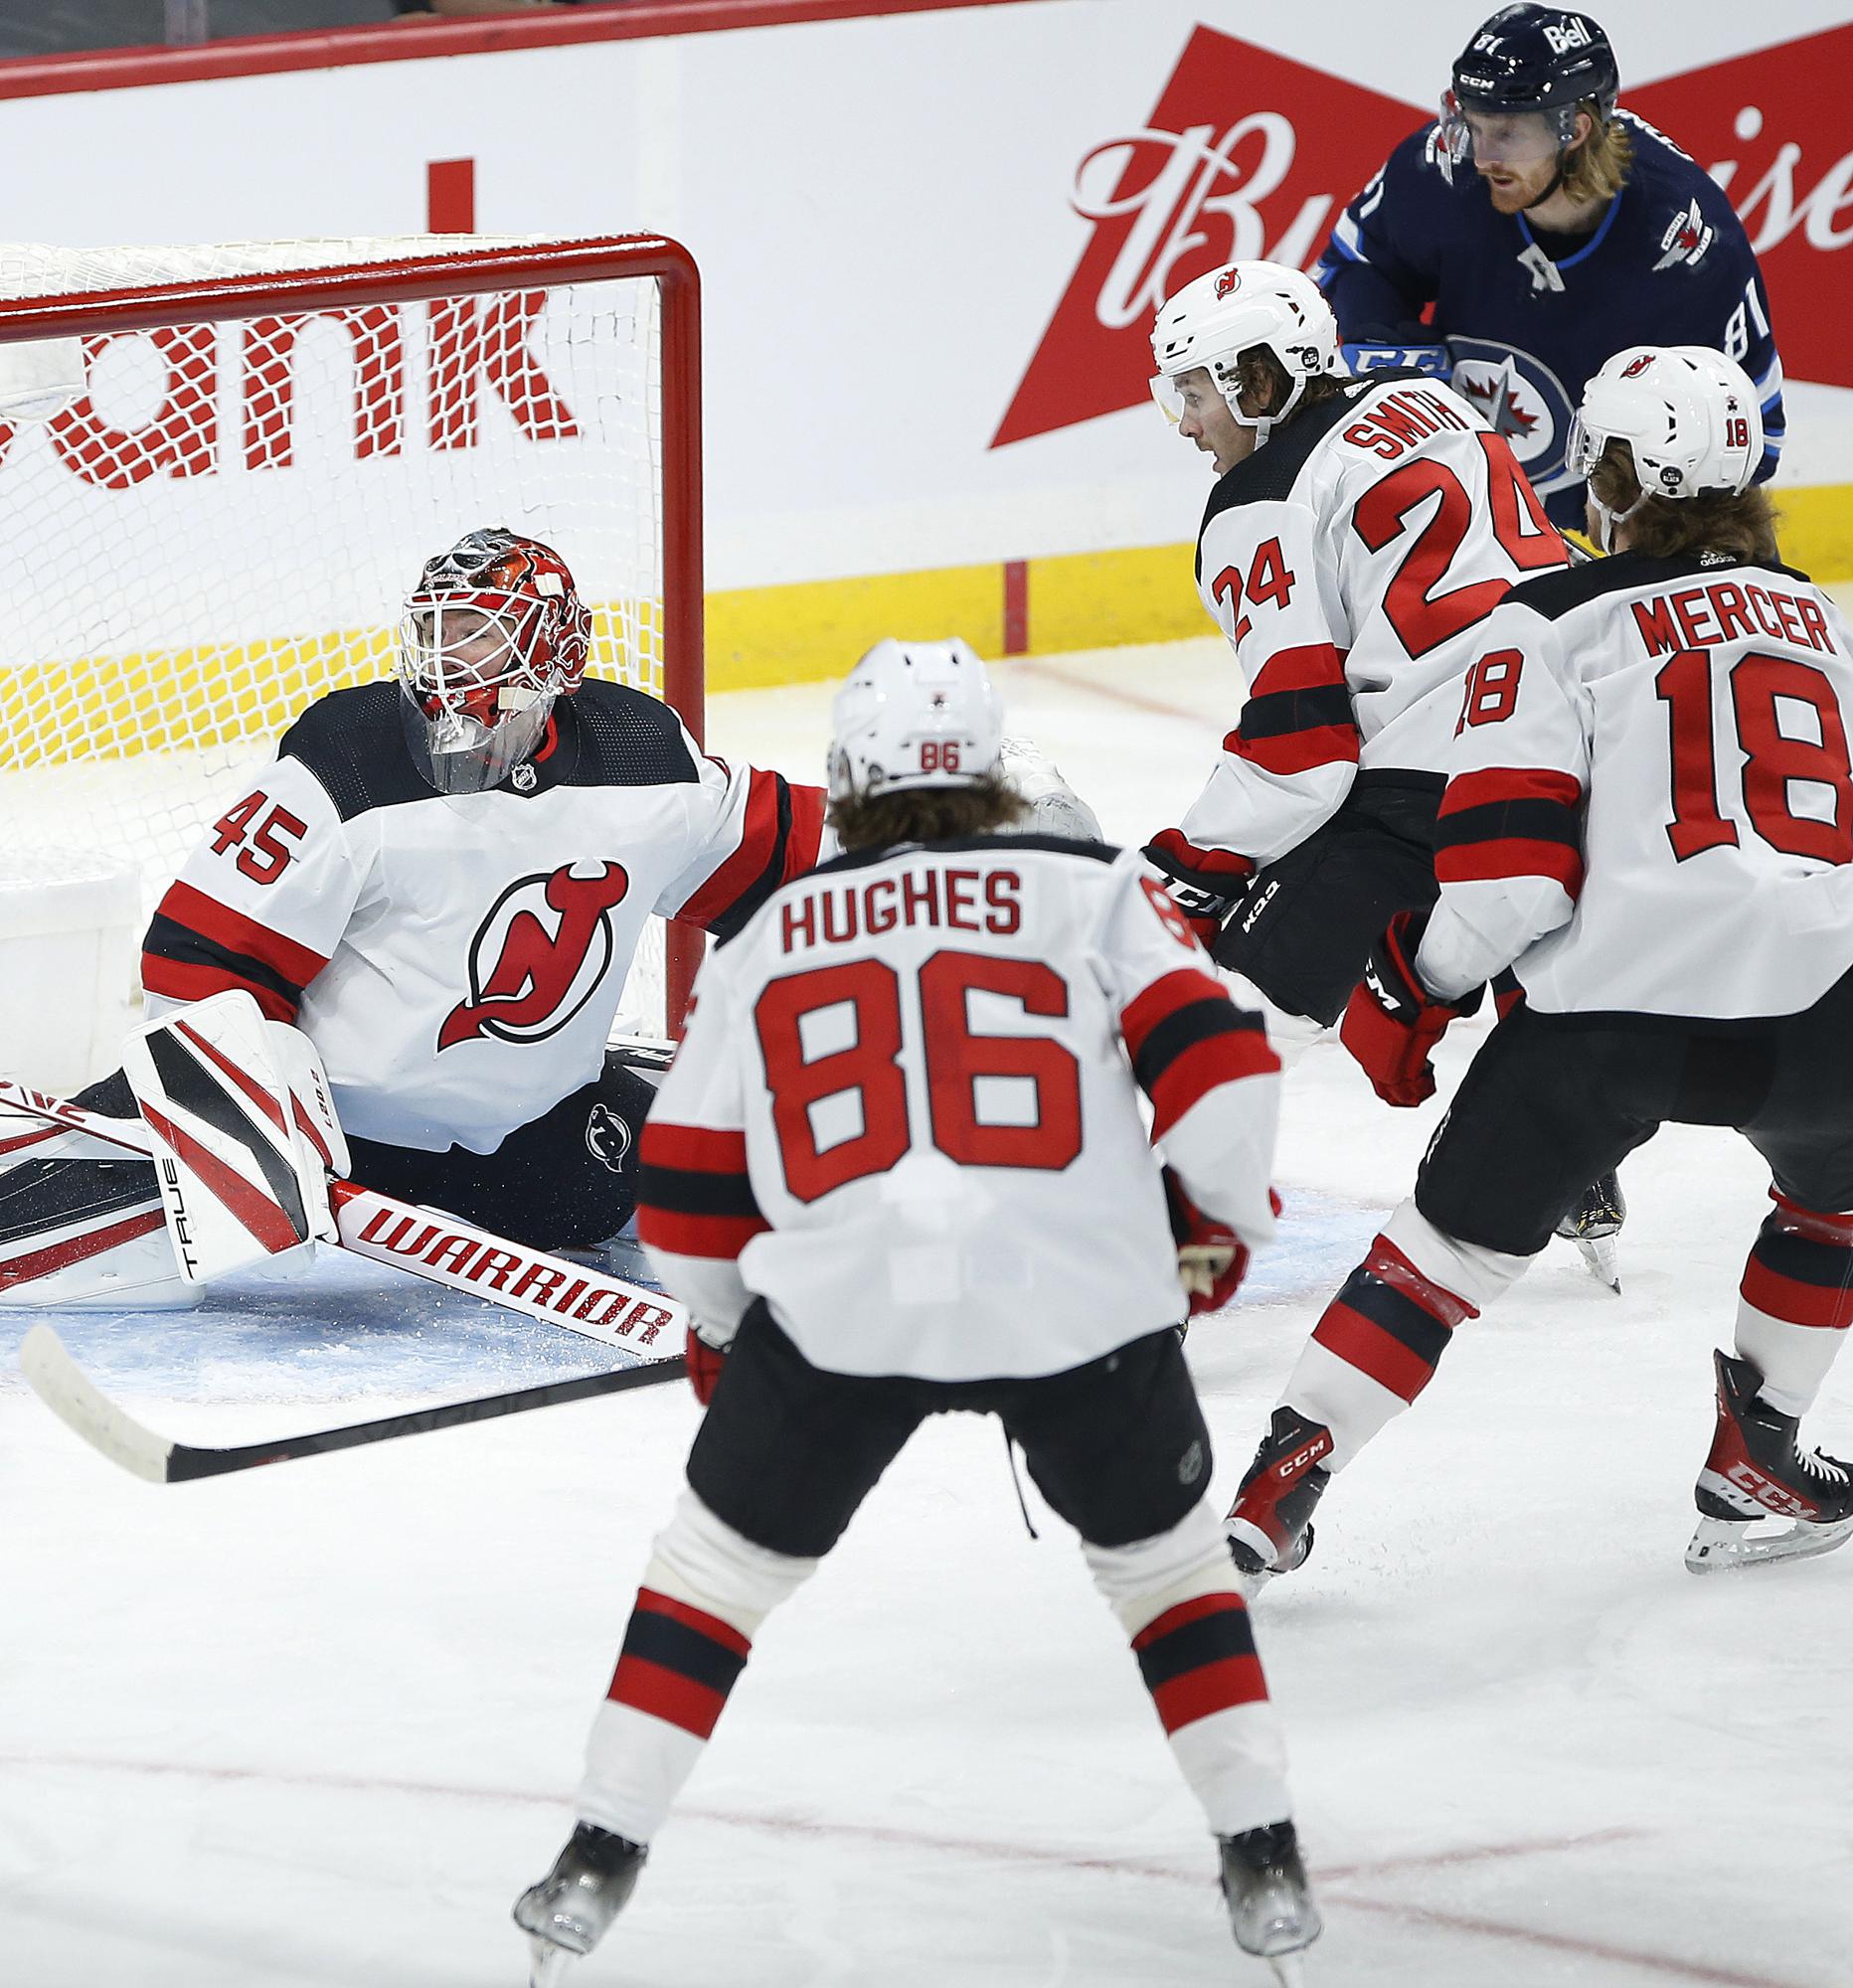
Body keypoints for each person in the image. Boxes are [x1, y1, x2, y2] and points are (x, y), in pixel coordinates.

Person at [512, 643, 1315, 1983]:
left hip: (843, 1318)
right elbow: (1228, 1068)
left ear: (846, 779)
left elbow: (690, 1184)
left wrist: (719, 1326)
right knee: (1169, 1578)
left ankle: (596, 1859)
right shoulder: (1096, 887)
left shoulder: (768, 933)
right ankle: (1265, 1857)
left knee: (710, 1581)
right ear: (997, 773)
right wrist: (1207, 1231)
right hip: (1081, 1308)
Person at [1227, 347, 1853, 1585]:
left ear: (1617, 475)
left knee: (1443, 1258)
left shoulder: (1551, 617)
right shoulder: (1824, 620)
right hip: (1821, 1014)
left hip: (1610, 1022)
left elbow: (1511, 876)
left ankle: (1284, 1474)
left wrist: (1424, 979)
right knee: (1834, 1202)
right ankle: (1759, 1447)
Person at [101, 526, 1094, 1254]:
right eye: (436, 631)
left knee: (690, 1161)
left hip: (541, 1160)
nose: (446, 665)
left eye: (478, 638)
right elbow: (192, 956)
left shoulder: (639, 762)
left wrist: (975, 825)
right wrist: (259, 1123)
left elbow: (787, 853)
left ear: (556, 657)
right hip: (354, 1153)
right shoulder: (344, 764)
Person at [1137, 258, 1626, 1280]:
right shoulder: (1431, 398)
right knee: (1525, 897)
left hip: (1438, 775)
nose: (1185, 422)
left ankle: (1153, 1242)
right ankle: (1570, 1156)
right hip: (1592, 741)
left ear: (1261, 382)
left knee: (1216, 988)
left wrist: (1176, 869)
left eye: (1196, 390)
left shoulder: (1256, 500)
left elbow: (1299, 756)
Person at [1313, 6, 1781, 537]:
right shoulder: (1436, 178)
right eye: (1472, 122)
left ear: (1575, 129)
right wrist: (1384, 354)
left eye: (1508, 133)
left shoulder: (1684, 244)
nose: (1481, 156)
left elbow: (1755, 437)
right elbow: (1353, 265)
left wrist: (1635, 518)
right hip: (1468, 522)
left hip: (1620, 539)